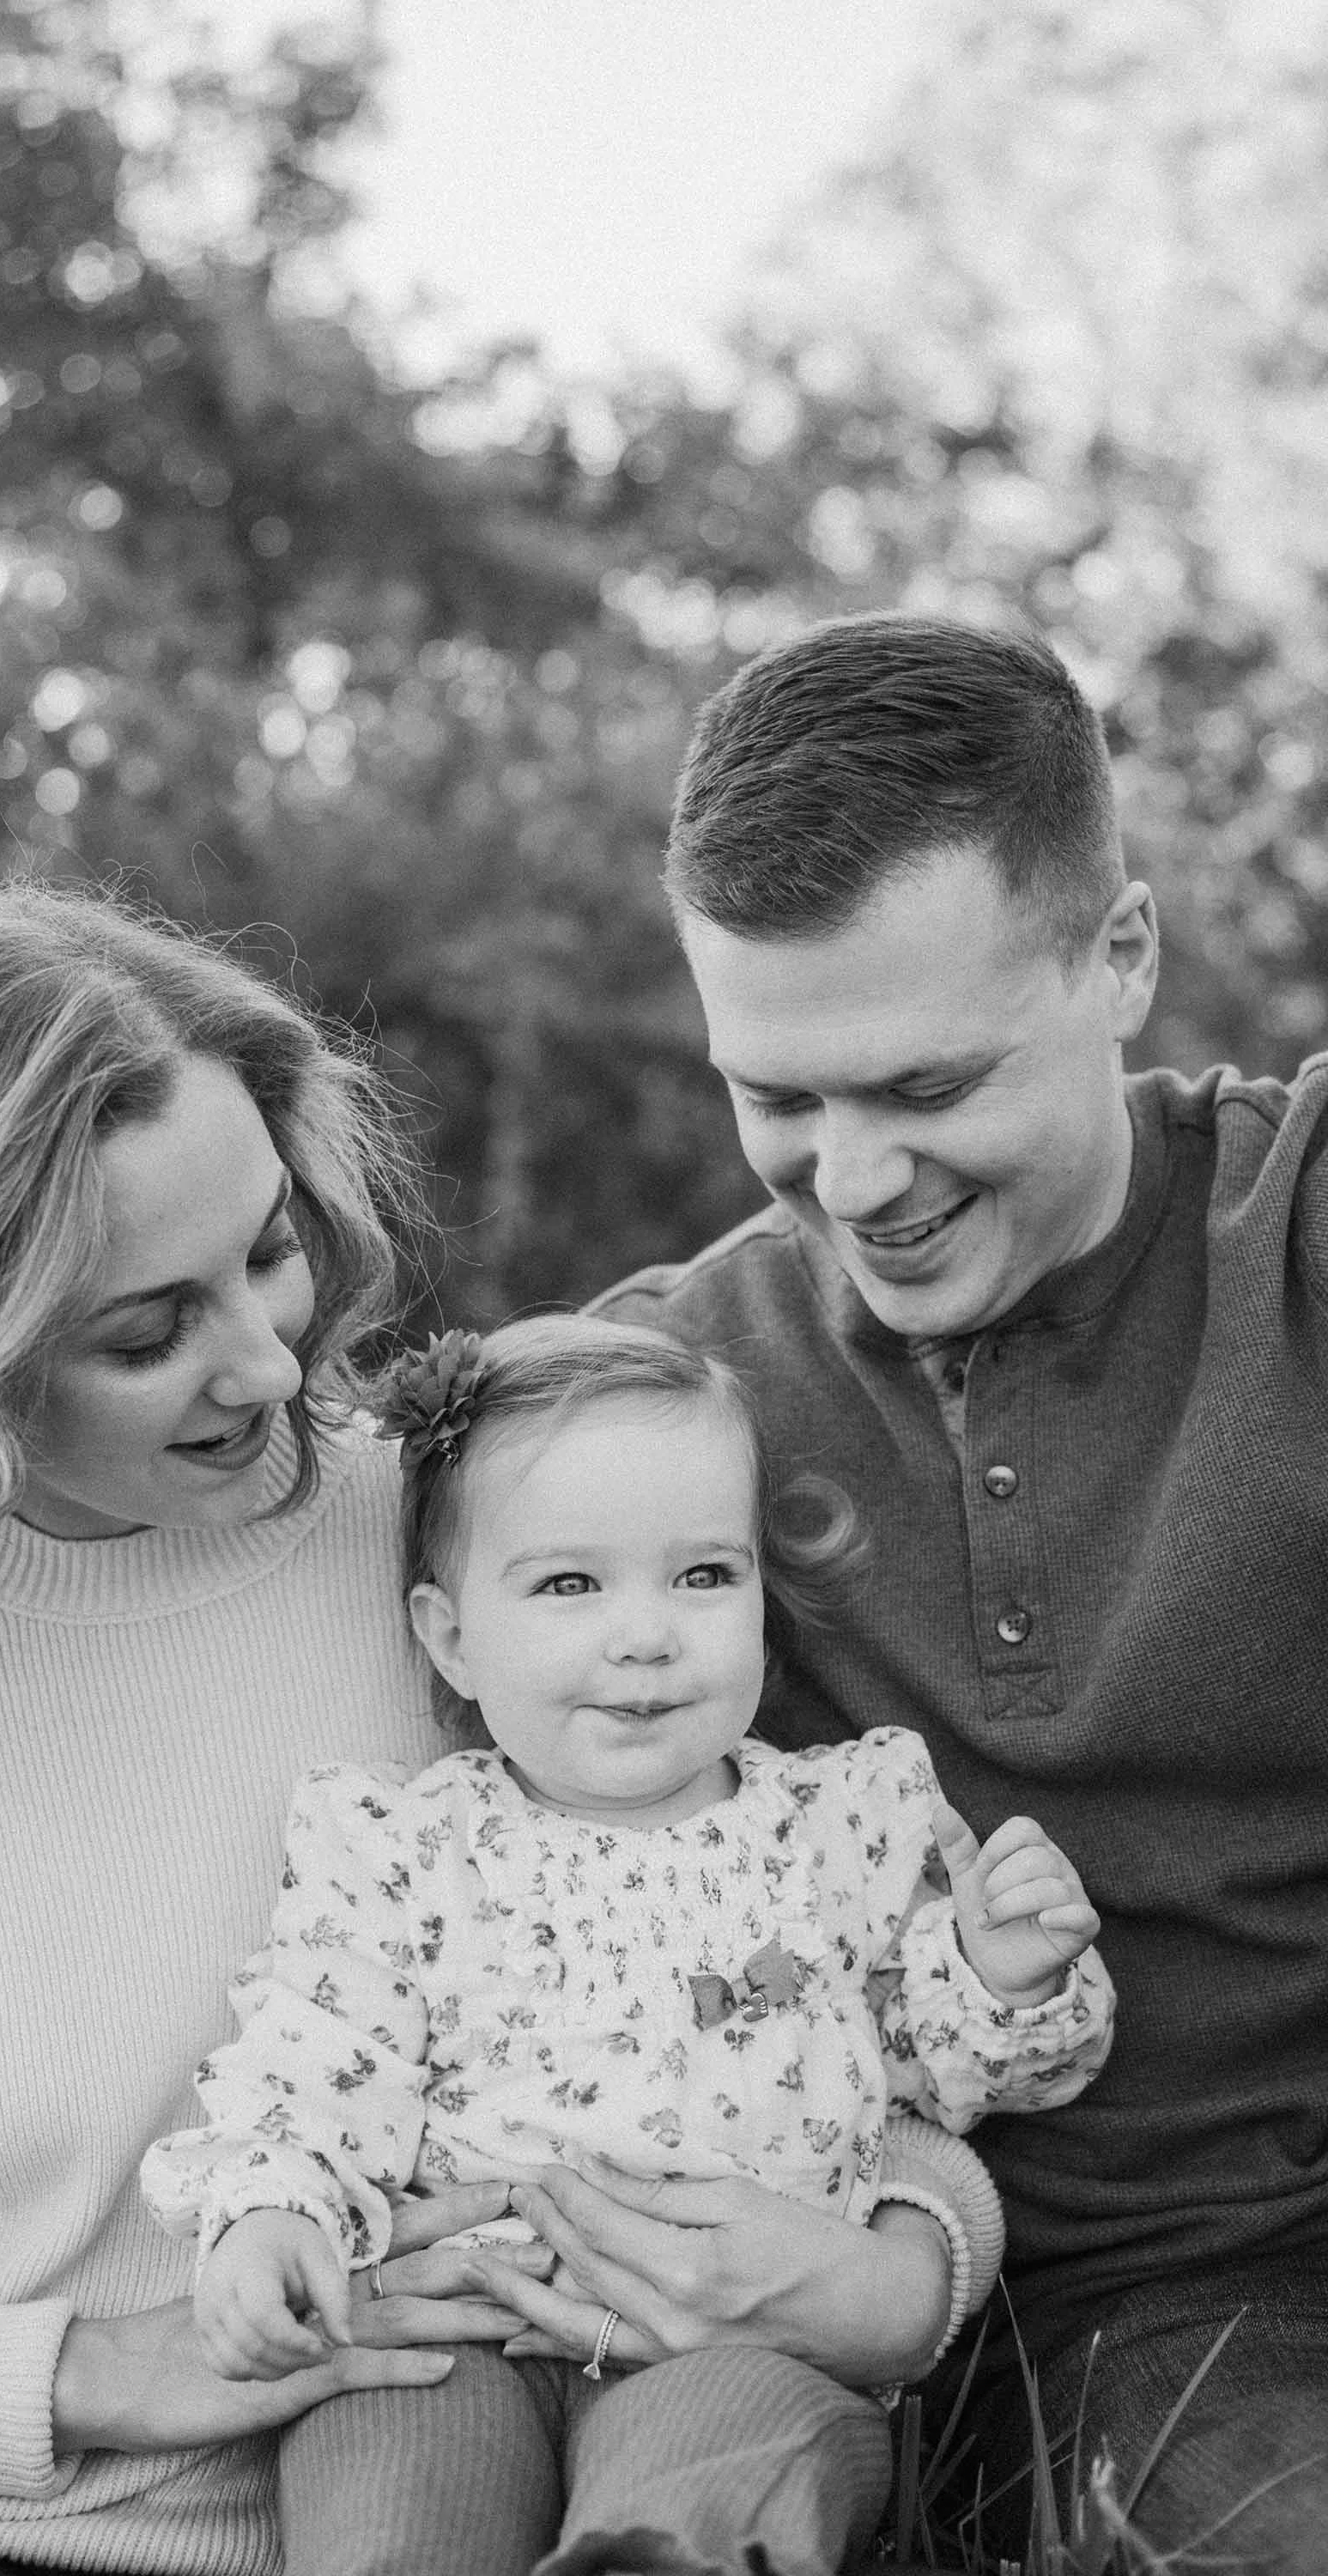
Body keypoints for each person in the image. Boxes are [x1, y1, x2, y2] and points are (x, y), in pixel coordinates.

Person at [0, 878, 995, 2575]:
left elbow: (783, 1949)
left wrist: (912, 2258)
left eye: (263, 1249)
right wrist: (85, 2373)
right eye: (147, 1330)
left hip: (487, 2481)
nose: (268, 1365)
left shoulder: (481, 1566)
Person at [577, 611, 1328, 2567]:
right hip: (1113, 2317)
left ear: (1124, 959)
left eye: (924, 1084)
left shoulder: (1293, 1224)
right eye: (780, 1098)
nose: (851, 1176)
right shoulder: (657, 1409)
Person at [142, 1315, 1113, 2576]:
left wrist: (999, 1971)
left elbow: (941, 2080)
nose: (646, 1634)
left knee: (714, 2502)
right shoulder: (405, 1848)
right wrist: (273, 2216)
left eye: (703, 1576)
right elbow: (321, 2059)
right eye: (568, 1584)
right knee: (393, 2510)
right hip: (462, 2328)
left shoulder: (839, 1832)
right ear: (449, 1638)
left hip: (736, 2338)